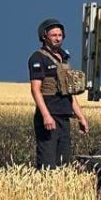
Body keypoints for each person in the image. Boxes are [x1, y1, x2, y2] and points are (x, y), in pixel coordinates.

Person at [29, 18, 88, 168]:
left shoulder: (64, 58)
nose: (57, 38)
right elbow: (35, 90)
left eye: (60, 35)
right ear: (44, 36)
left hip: (64, 116)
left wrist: (81, 117)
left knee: (64, 162)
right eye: (53, 35)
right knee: (47, 163)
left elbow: (69, 92)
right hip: (49, 116)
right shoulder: (38, 57)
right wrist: (46, 116)